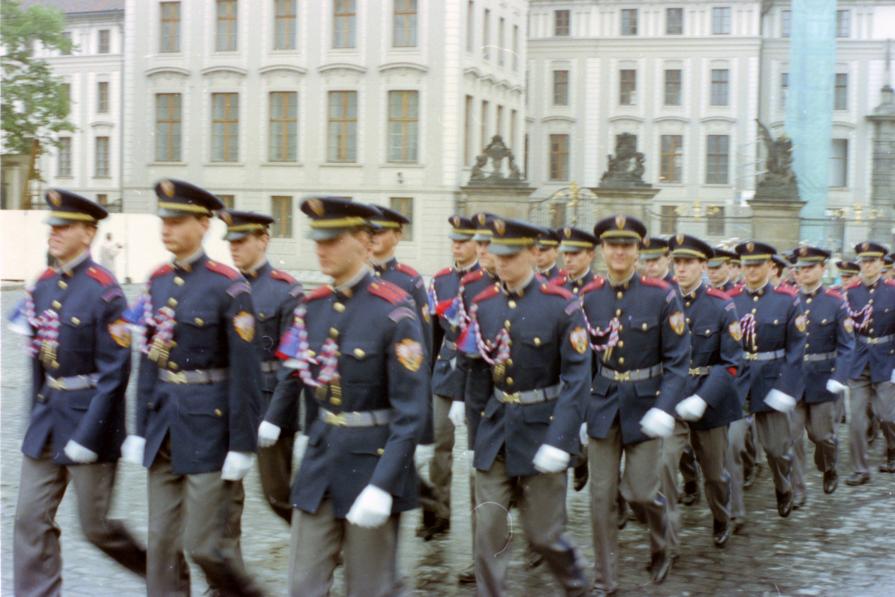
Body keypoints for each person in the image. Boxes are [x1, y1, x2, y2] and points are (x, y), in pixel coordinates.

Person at [267, 197, 429, 596]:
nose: (321, 249)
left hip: (371, 465)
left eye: (333, 240)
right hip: (321, 461)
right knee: (303, 583)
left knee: (371, 587)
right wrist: (271, 419)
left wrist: (383, 484)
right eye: (318, 241)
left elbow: (411, 410)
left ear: (363, 241)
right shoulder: (311, 308)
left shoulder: (395, 312)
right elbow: (297, 373)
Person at [120, 178, 264, 596]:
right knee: (162, 545)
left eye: (178, 220)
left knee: (202, 545)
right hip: (164, 426)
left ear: (204, 224)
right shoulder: (158, 281)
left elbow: (246, 374)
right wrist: (139, 427)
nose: (167, 228)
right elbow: (149, 358)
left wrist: (242, 444)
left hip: (208, 429)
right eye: (164, 219)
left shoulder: (229, 287)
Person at [14, 189, 146, 595]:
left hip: (89, 422)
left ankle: (162, 573)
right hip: (49, 418)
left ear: (88, 234)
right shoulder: (43, 286)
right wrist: (34, 417)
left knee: (96, 527)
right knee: (29, 519)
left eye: (64, 226)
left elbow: (115, 373)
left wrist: (90, 437)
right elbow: (37, 359)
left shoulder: (105, 291)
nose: (54, 232)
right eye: (52, 225)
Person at [469, 216, 589, 596]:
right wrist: (474, 434)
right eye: (496, 255)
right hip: (496, 429)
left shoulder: (562, 305)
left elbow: (577, 378)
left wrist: (562, 439)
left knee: (544, 535)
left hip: (543, 429)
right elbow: (475, 372)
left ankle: (576, 584)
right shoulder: (483, 304)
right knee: (488, 528)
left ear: (533, 254)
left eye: (511, 255)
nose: (501, 263)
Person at [581, 215, 689, 593]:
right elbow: (584, 359)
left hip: (647, 405)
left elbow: (679, 361)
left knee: (642, 493)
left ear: (639, 250)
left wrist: (665, 407)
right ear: (603, 250)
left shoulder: (662, 296)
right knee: (600, 496)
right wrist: (582, 408)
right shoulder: (589, 296)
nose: (620, 252)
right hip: (603, 405)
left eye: (627, 245)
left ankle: (662, 541)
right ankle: (604, 578)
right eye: (612, 245)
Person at [223, 210, 304, 524]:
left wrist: (274, 417)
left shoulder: (286, 291)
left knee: (278, 494)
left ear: (264, 240)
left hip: (269, 402)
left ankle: (319, 545)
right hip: (229, 403)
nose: (234, 248)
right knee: (224, 491)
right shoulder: (226, 287)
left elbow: (293, 364)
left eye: (242, 241)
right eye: (230, 241)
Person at [668, 234, 743, 548]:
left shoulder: (721, 305)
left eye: (689, 263)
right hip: (672, 396)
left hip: (709, 399)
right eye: (678, 262)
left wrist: (702, 397)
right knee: (664, 467)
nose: (681, 269)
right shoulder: (665, 301)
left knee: (714, 473)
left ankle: (721, 516)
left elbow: (731, 363)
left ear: (703, 265)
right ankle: (666, 541)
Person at [728, 241, 805, 522]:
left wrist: (787, 388)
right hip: (738, 382)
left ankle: (784, 485)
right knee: (730, 445)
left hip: (772, 379)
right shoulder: (730, 298)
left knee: (776, 450)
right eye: (746, 264)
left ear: (770, 267)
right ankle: (733, 511)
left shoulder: (787, 300)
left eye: (757, 264)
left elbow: (797, 349)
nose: (750, 270)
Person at [423, 215, 480, 539]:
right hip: (446, 372)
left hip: (476, 375)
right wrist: (428, 374)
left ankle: (483, 523)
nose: (457, 246)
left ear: (476, 243)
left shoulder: (489, 280)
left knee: (477, 450)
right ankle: (437, 513)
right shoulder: (441, 280)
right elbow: (432, 333)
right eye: (454, 240)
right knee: (439, 444)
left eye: (464, 240)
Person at [453, 211, 500, 584]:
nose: (483, 250)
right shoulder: (470, 288)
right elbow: (464, 351)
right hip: (484, 402)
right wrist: (460, 400)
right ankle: (482, 562)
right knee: (480, 488)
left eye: (489, 244)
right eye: (480, 244)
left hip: (531, 406)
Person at [788, 246, 854, 501]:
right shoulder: (790, 301)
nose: (803, 273)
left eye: (810, 268)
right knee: (792, 438)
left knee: (822, 436)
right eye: (800, 268)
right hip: (794, 381)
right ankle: (797, 489)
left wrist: (839, 378)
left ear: (822, 269)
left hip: (823, 380)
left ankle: (829, 467)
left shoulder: (836, 303)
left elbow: (847, 345)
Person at [844, 241, 895, 484]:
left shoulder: (893, 291)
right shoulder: (851, 292)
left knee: (887, 415)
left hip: (887, 358)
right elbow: (847, 330)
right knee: (856, 418)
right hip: (859, 359)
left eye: (872, 261)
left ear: (882, 263)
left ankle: (892, 451)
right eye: (864, 261)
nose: (867, 266)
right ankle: (860, 469)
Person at [550, 226, 597, 293]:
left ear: (591, 255)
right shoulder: (554, 288)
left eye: (575, 254)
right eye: (565, 253)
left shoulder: (600, 289)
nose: (568, 259)